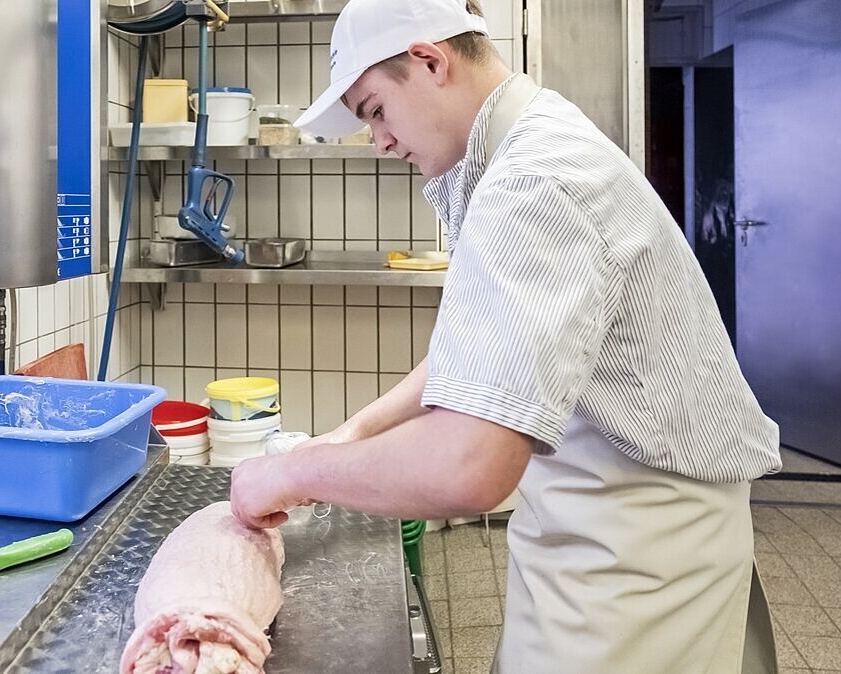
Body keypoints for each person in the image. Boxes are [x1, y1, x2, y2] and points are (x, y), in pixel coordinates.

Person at [227, 0, 783, 671]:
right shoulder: (526, 146)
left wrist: (290, 472)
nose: (378, 140)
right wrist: (351, 435)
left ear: (430, 60)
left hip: (635, 553)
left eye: (375, 109)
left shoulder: (533, 182)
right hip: (604, 522)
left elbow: (470, 466)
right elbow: (485, 353)